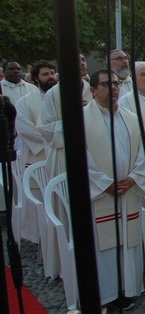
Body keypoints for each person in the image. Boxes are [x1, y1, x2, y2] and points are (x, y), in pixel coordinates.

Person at [84, 70, 145, 310]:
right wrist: (104, 183)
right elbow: (81, 158)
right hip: (101, 194)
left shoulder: (132, 118)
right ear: (92, 90)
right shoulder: (81, 119)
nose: (113, 87)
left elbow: (144, 152)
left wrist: (133, 178)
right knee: (105, 244)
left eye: (115, 83)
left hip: (128, 189)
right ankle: (106, 294)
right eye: (105, 84)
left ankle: (129, 288)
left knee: (128, 241)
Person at [15, 60, 57, 245]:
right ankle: (42, 238)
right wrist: (53, 140)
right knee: (41, 198)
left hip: (59, 155)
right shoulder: (25, 102)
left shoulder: (62, 97)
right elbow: (25, 129)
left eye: (52, 73)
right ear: (35, 79)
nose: (51, 77)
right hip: (39, 155)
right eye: (45, 74)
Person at [40, 54, 90, 180]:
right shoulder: (53, 94)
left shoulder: (92, 90)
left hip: (92, 153)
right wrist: (74, 116)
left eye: (83, 60)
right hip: (64, 155)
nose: (82, 63)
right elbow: (46, 130)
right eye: (77, 60)